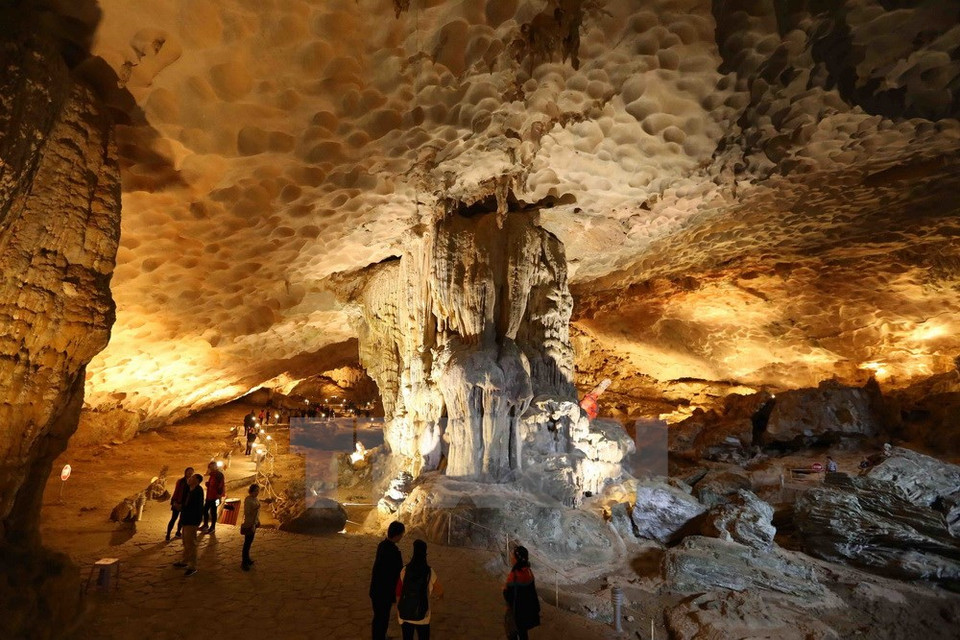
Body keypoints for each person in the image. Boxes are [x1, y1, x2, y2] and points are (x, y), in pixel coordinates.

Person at [396, 539, 442, 640]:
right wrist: (438, 598)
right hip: (422, 614)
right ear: (425, 553)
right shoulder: (429, 571)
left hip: (405, 613)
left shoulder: (405, 570)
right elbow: (440, 591)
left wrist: (400, 607)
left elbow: (398, 592)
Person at [370, 521, 405, 640]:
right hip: (384, 592)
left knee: (378, 617)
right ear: (397, 535)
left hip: (375, 589)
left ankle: (378, 636)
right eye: (401, 534)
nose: (401, 537)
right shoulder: (394, 552)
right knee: (383, 617)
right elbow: (398, 574)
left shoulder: (382, 545)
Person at [503, 545, 541, 640]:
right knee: (523, 633)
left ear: (517, 559)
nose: (511, 558)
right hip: (526, 609)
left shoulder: (514, 575)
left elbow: (509, 596)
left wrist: (504, 590)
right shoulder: (529, 571)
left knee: (512, 633)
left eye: (513, 556)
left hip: (517, 611)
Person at [174, 473, 204, 576]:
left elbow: (195, 507)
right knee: (186, 542)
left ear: (197, 481)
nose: (189, 479)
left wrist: (181, 507)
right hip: (186, 519)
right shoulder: (189, 490)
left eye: (192, 478)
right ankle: (184, 561)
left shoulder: (198, 491)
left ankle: (193, 566)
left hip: (192, 520)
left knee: (191, 543)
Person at [165, 466, 193, 541]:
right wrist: (174, 501)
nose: (190, 473)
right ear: (185, 472)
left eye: (191, 472)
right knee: (173, 518)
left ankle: (178, 532)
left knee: (181, 519)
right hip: (178, 502)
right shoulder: (181, 481)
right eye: (189, 471)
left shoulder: (192, 482)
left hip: (185, 503)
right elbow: (176, 491)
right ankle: (168, 535)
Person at [201, 460, 225, 534]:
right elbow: (213, 484)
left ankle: (212, 527)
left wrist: (219, 495)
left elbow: (221, 485)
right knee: (205, 510)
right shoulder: (212, 475)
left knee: (213, 511)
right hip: (209, 496)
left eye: (213, 466)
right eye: (211, 466)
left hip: (215, 497)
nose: (212, 468)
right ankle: (205, 525)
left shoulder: (218, 474)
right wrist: (208, 484)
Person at [241, 483, 261, 571]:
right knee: (247, 543)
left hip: (254, 523)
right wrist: (255, 508)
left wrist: (257, 521)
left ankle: (247, 559)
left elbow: (257, 512)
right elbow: (247, 512)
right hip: (249, 523)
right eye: (256, 491)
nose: (257, 493)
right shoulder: (248, 500)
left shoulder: (255, 499)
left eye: (258, 491)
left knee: (249, 542)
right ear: (251, 491)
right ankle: (244, 562)